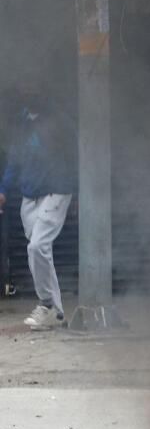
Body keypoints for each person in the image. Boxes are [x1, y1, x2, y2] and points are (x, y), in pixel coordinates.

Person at [0, 90, 76, 330]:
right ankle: (56, 313)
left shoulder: (59, 120)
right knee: (40, 254)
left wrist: (77, 190)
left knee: (37, 247)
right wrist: (3, 190)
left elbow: (76, 153)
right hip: (29, 196)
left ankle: (47, 304)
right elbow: (14, 161)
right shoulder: (22, 123)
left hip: (56, 191)